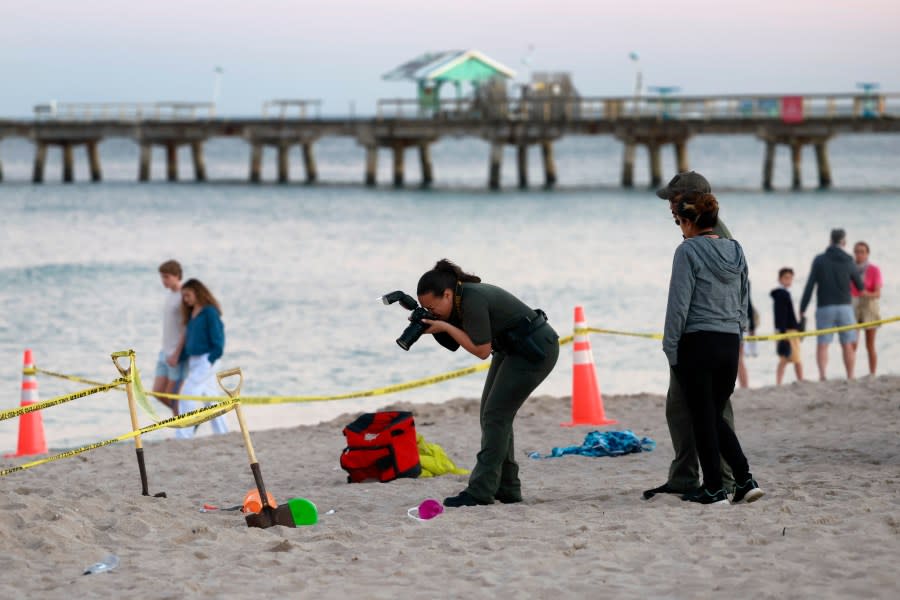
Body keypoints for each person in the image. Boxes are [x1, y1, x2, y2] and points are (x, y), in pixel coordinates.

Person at [414, 259, 559, 507]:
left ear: (447, 294)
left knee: (496, 416)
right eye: (424, 308)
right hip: (511, 349)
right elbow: (460, 341)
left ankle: (480, 491)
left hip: (535, 350)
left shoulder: (472, 299)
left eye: (431, 306)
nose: (431, 311)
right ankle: (508, 488)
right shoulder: (459, 300)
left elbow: (481, 350)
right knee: (491, 415)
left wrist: (445, 326)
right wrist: (437, 326)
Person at [662, 191, 763, 504]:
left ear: (691, 222)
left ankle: (717, 487)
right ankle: (742, 481)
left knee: (704, 416)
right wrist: (738, 332)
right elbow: (744, 296)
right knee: (712, 415)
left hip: (698, 343)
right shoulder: (735, 249)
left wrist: (670, 347)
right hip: (729, 342)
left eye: (680, 221)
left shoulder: (687, 251)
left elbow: (678, 305)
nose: (680, 228)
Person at [643, 171, 737, 500]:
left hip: (701, 340)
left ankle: (724, 479)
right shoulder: (694, 234)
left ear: (690, 201)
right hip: (702, 337)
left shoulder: (708, 238)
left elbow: (698, 297)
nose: (668, 205)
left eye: (673, 199)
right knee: (679, 407)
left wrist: (673, 344)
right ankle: (684, 475)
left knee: (714, 410)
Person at [799, 229, 864, 381]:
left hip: (825, 307)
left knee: (823, 343)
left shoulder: (819, 260)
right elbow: (860, 286)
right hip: (845, 307)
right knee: (847, 344)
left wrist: (802, 308)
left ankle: (822, 376)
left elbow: (810, 285)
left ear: (830, 241)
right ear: (844, 242)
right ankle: (850, 376)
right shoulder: (849, 260)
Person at [175, 278, 229, 439]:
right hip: (194, 360)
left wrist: (211, 359)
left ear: (197, 293)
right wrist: (180, 357)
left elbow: (218, 339)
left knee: (187, 394)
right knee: (211, 399)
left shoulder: (210, 312)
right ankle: (223, 433)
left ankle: (184, 435)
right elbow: (192, 341)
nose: (186, 299)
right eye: (183, 296)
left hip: (207, 359)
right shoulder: (192, 314)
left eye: (188, 295)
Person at [153, 260, 186, 415]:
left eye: (166, 277)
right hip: (164, 351)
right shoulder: (170, 295)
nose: (163, 281)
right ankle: (188, 419)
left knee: (173, 395)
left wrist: (177, 353)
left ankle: (183, 429)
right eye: (162, 277)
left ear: (177, 276)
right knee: (158, 392)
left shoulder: (183, 296)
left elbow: (187, 328)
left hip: (176, 353)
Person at [851, 241, 883, 376]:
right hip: (853, 305)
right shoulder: (849, 268)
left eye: (862, 252)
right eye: (857, 251)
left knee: (870, 344)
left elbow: (878, 293)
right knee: (852, 343)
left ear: (867, 254)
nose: (859, 254)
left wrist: (866, 294)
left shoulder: (874, 269)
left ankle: (872, 373)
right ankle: (850, 373)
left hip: (869, 305)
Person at [770, 268, 804, 385]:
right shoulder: (783, 294)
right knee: (796, 359)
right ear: (780, 279)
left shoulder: (781, 294)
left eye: (790, 278)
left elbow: (783, 314)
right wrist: (784, 332)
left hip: (784, 330)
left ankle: (778, 383)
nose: (789, 280)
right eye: (786, 278)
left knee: (784, 359)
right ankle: (801, 380)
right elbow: (782, 315)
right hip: (788, 331)